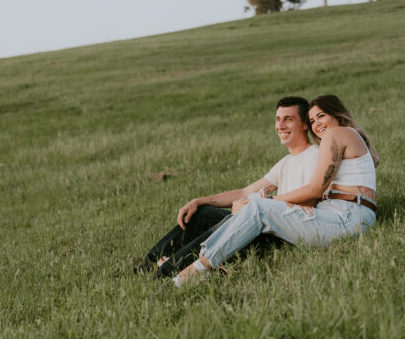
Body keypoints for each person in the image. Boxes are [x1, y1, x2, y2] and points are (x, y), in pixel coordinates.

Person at [173, 94, 379, 286]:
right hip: (342, 214)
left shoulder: (337, 133)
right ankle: (199, 264)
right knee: (256, 208)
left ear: (337, 114)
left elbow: (316, 189)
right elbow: (248, 191)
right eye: (313, 121)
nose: (317, 125)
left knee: (260, 208)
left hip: (348, 217)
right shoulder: (343, 137)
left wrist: (270, 200)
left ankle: (193, 272)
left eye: (321, 116)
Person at [136, 96, 319, 278]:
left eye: (289, 119)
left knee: (232, 221)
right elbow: (245, 192)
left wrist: (251, 206)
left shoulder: (314, 156)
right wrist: (199, 201)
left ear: (304, 124)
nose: (280, 126)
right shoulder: (287, 162)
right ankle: (149, 264)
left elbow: (309, 201)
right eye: (278, 119)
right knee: (203, 213)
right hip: (263, 221)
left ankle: (169, 268)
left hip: (277, 233)